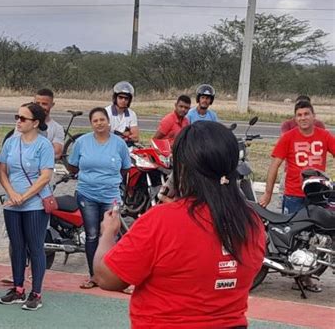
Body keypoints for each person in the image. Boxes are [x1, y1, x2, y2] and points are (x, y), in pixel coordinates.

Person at [93, 121, 265, 328]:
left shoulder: (161, 221)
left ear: (182, 168)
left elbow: (107, 278)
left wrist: (108, 234)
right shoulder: (251, 221)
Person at [259, 100, 334, 292]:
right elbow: (274, 165)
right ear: (295, 118)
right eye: (299, 115)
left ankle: (307, 275)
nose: (303, 118)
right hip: (293, 194)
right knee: (292, 238)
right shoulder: (288, 137)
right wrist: (268, 193)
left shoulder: (324, 136)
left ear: (313, 116)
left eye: (306, 114)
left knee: (314, 238)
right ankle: (295, 274)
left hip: (317, 196)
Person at [0, 102, 54, 311]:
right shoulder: (11, 142)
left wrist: (24, 196)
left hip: (35, 204)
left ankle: (36, 292)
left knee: (35, 246)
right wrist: (12, 193)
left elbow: (45, 176)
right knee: (17, 246)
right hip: (12, 202)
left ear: (35, 122)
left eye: (23, 118)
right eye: (17, 117)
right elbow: (1, 169)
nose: (18, 122)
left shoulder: (43, 145)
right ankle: (18, 288)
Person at [67, 107, 131, 289]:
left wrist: (110, 180)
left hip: (111, 195)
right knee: (92, 235)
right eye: (95, 121)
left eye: (102, 119)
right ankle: (94, 275)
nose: (99, 123)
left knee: (113, 234)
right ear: (91, 124)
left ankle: (117, 276)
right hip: (87, 194)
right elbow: (72, 165)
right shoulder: (82, 142)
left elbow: (125, 168)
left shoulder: (119, 144)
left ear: (108, 121)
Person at [34, 88, 65, 160]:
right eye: (37, 103)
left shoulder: (58, 128)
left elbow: (57, 153)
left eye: (44, 104)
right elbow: (16, 148)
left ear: (52, 105)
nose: (40, 107)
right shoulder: (23, 122)